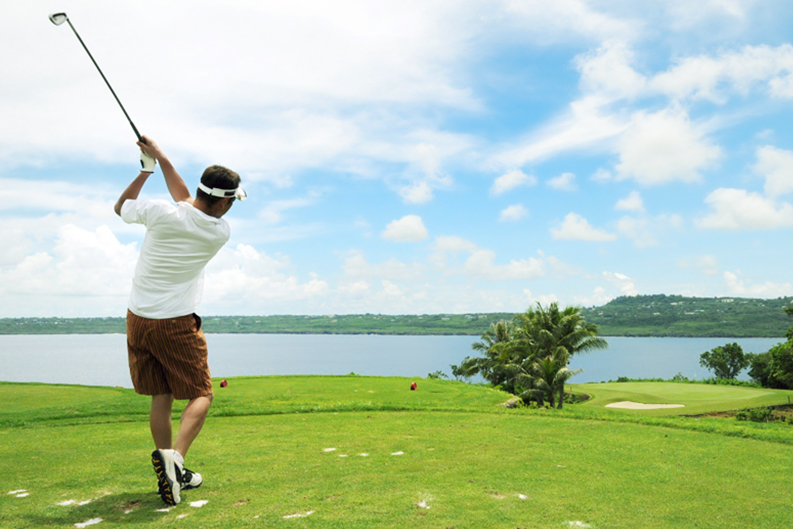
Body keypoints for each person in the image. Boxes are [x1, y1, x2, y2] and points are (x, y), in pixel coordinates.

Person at [114, 136, 245, 506]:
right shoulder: (219, 232)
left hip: (137, 320)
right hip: (175, 323)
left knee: (162, 393)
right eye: (232, 201)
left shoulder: (159, 212)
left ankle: (172, 472)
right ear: (223, 201)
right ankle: (176, 462)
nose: (232, 208)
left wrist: (148, 169)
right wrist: (164, 159)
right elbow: (188, 201)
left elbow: (122, 207)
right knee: (201, 392)